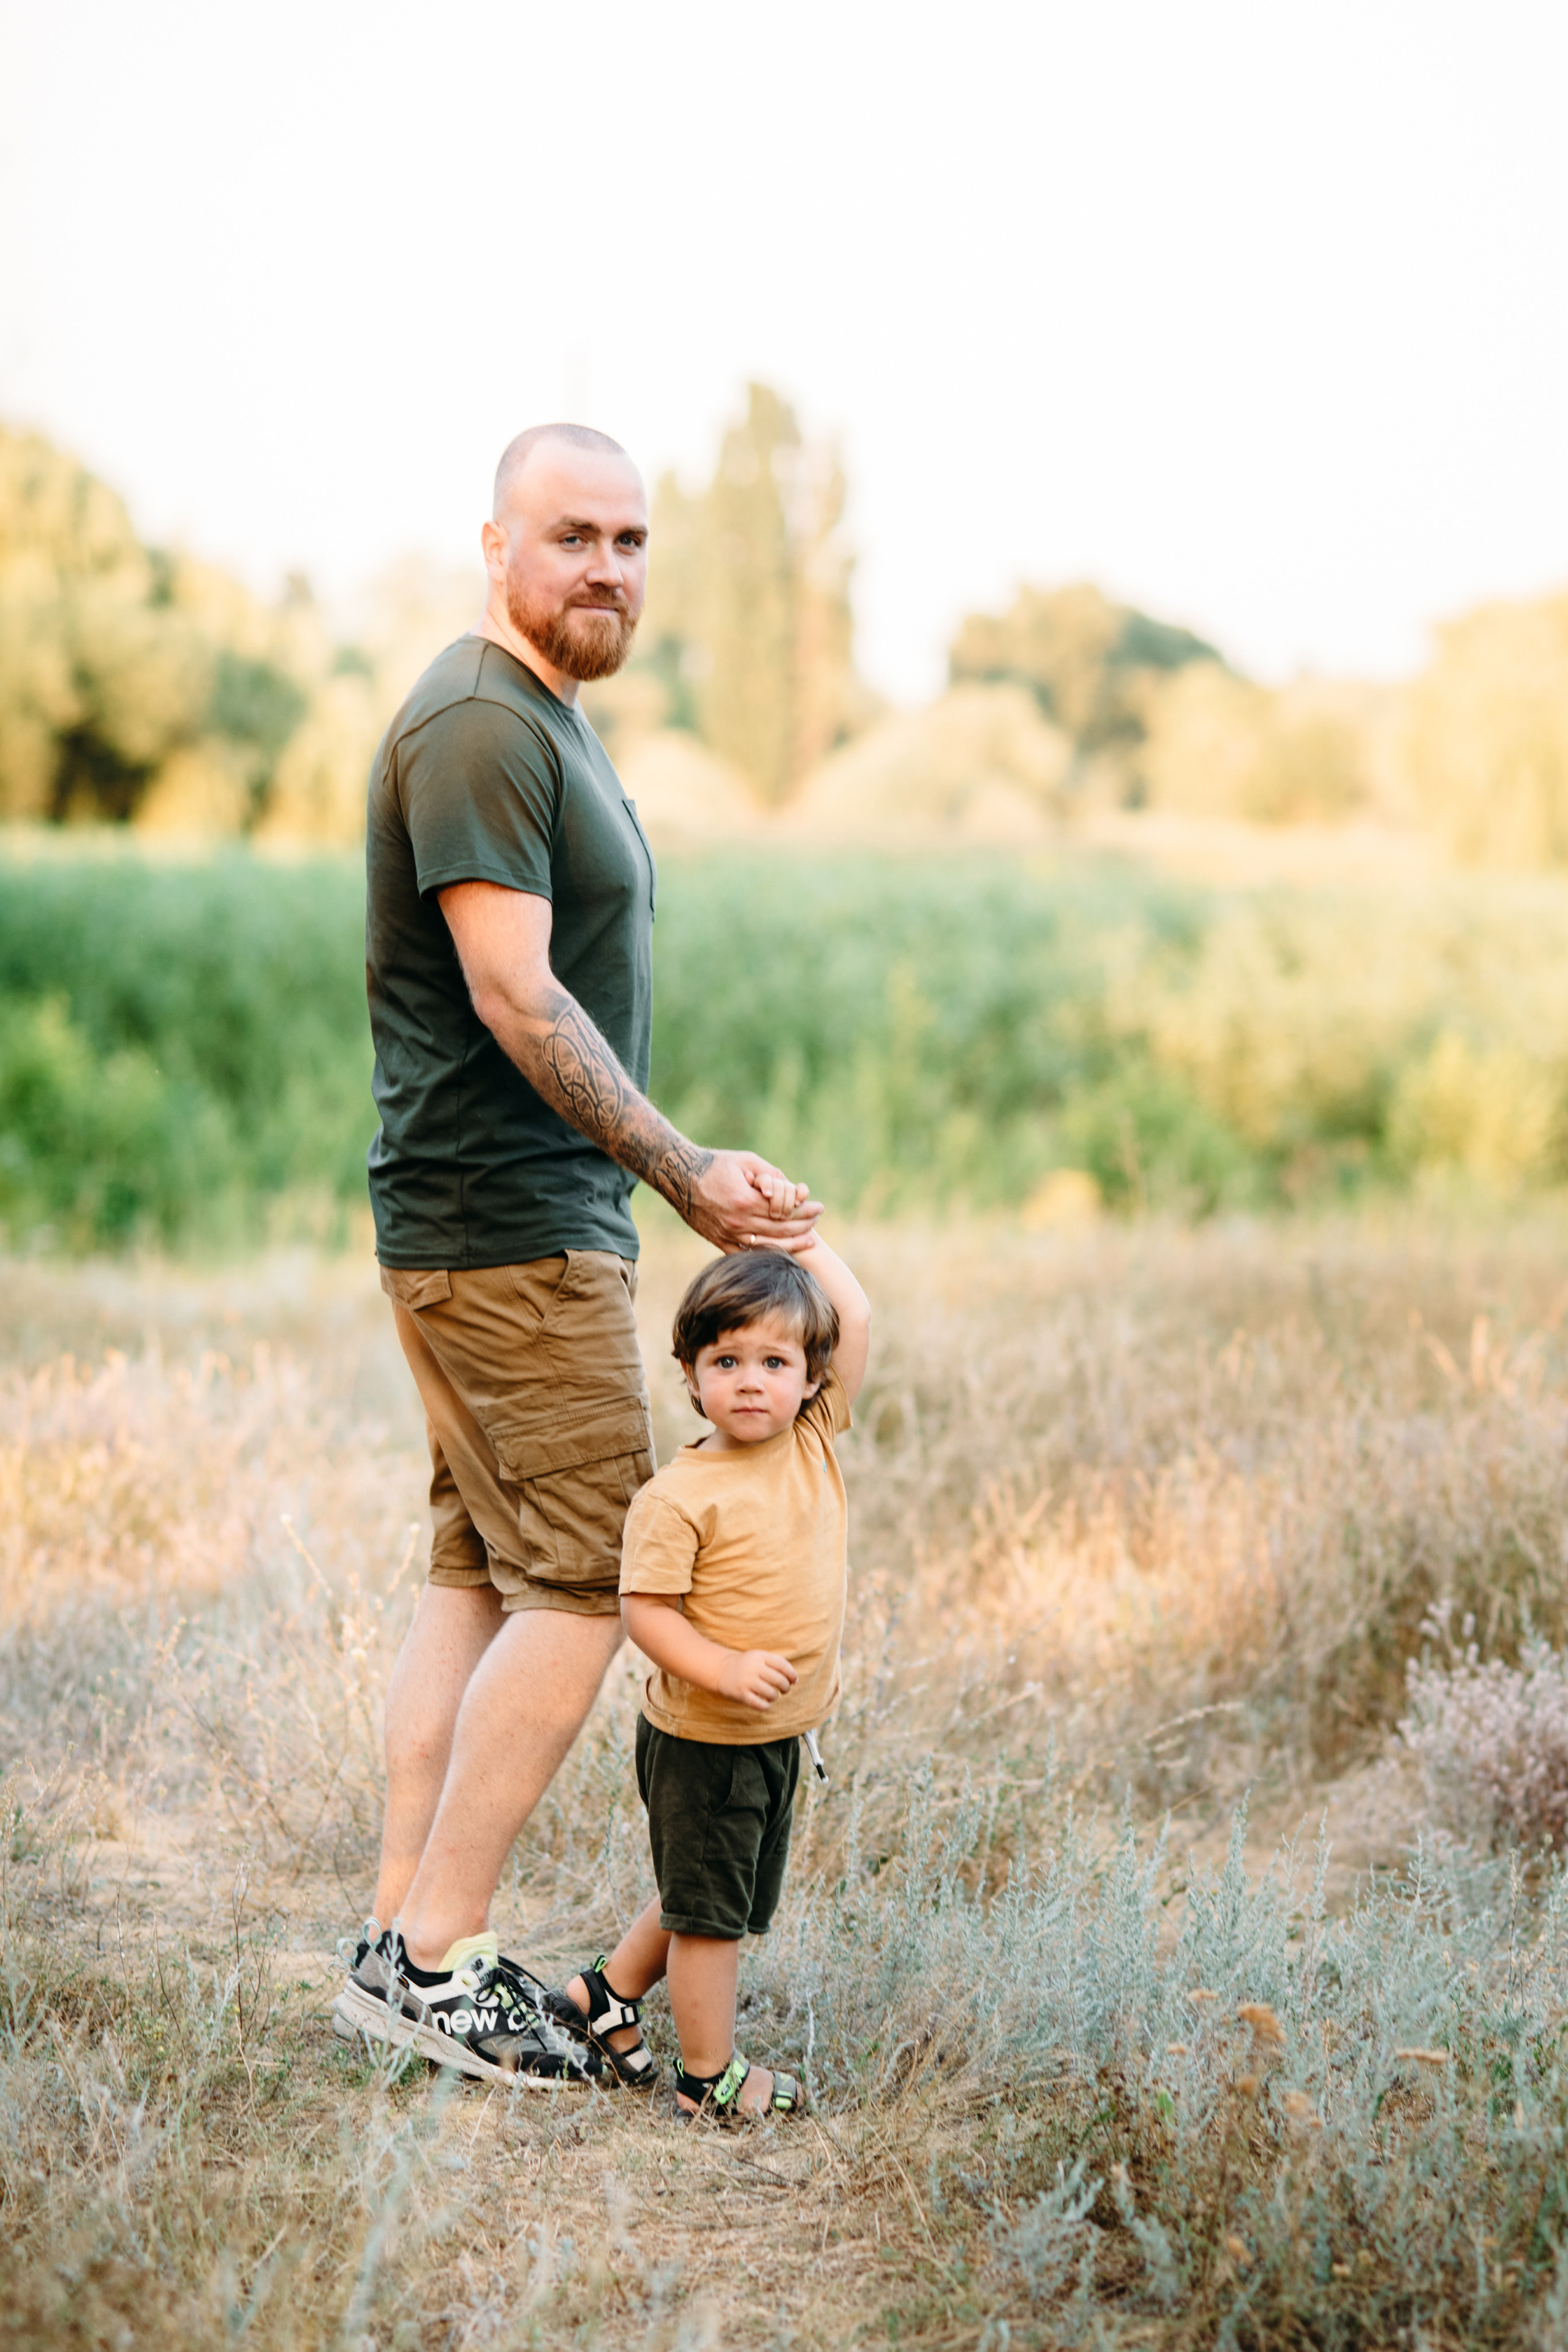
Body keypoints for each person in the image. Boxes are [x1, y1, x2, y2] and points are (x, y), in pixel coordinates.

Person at [332, 423, 821, 2087]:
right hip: (513, 1226)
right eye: (571, 537)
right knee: (603, 1575)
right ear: (494, 544)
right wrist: (678, 1169)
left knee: (479, 1569)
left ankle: (404, 1931)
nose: (606, 569)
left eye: (629, 540)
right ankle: (428, 1953)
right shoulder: (482, 721)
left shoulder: (541, 720)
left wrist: (664, 1172)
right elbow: (514, 994)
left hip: (496, 1223)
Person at [543, 1235, 870, 2119]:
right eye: (726, 1360)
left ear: (812, 1376)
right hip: (706, 1739)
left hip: (773, 1735)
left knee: (706, 1888)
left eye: (775, 1359)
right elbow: (646, 1613)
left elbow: (859, 1317)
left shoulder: (813, 1439)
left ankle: (602, 1999)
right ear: (692, 1376)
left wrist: (794, 1239)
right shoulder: (679, 1496)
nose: (753, 1380)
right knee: (709, 1918)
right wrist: (721, 1668)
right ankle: (707, 2080)